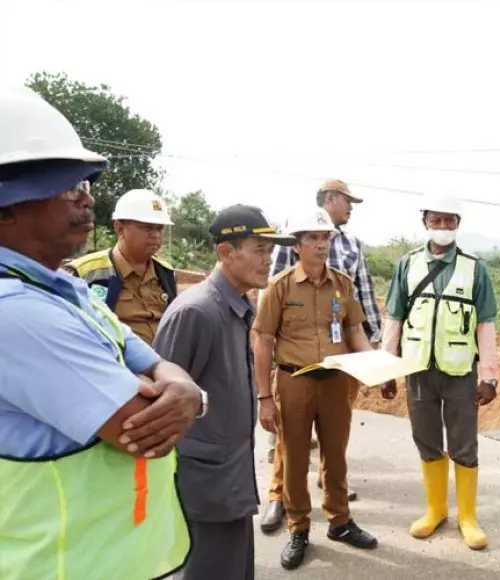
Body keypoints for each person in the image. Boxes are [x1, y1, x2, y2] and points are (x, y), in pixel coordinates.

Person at [0, 86, 203, 579]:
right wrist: (187, 393)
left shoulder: (57, 287)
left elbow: (141, 353)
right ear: (6, 206)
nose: (86, 199)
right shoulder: (16, 311)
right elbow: (143, 431)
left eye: (88, 186)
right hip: (63, 564)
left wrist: (181, 385)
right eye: (69, 187)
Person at [151, 205, 296, 580]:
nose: (269, 260)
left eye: (270, 251)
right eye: (259, 250)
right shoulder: (197, 312)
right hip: (203, 482)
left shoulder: (236, 305)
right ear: (226, 253)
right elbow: (158, 402)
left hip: (228, 474)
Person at [252, 207, 382, 571]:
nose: (322, 244)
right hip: (294, 381)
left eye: (326, 237)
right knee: (293, 457)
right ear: (297, 245)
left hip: (337, 380)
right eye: (313, 238)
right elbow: (262, 342)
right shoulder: (278, 288)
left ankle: (339, 521)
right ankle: (298, 528)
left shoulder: (343, 284)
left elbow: (355, 331)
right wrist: (264, 397)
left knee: (336, 454)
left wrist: (376, 365)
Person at [380, 193, 500, 550]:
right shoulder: (407, 264)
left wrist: (489, 376)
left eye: (450, 221)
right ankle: (435, 510)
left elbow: (486, 325)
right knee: (427, 439)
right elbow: (394, 318)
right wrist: (388, 368)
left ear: (458, 225)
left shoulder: (475, 267)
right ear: (425, 223)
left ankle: (467, 516)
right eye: (437, 220)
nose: (444, 227)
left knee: (464, 443)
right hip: (417, 369)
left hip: (460, 371)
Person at [64, 188, 177, 344]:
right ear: (119, 228)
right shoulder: (85, 273)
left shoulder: (165, 273)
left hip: (165, 364)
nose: (155, 235)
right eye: (147, 227)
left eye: (159, 228)